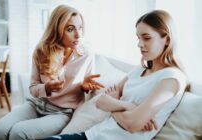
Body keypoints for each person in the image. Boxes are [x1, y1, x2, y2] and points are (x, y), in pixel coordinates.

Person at [43, 10, 188, 140]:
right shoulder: (139, 70)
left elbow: (133, 124)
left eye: (146, 38)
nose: (139, 44)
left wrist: (112, 105)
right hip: (92, 135)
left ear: (167, 40)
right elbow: (101, 101)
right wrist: (129, 106)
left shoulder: (172, 78)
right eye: (138, 38)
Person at [0, 5, 104, 140]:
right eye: (70, 29)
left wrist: (84, 86)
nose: (78, 34)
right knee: (0, 129)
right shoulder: (41, 50)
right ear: (57, 29)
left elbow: (88, 86)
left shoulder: (86, 54)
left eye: (80, 27)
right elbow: (33, 88)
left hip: (62, 113)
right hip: (36, 104)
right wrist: (46, 87)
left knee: (18, 133)